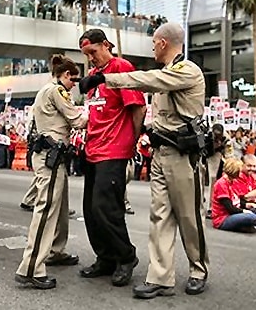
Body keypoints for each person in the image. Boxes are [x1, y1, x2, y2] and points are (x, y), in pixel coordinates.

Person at [79, 22, 209, 298]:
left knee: (189, 216)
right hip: (161, 152)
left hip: (183, 155)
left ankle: (198, 269)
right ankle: (161, 278)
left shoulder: (187, 71)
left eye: (153, 43)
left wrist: (105, 79)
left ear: (162, 43)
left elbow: (148, 81)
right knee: (159, 217)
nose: (152, 47)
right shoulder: (165, 72)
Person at [76, 29, 146, 288]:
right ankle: (105, 257)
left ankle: (126, 257)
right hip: (93, 149)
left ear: (106, 45)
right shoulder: (94, 76)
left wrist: (132, 141)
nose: (91, 59)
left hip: (114, 150)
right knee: (91, 210)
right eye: (86, 55)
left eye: (93, 52)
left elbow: (138, 108)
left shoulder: (121, 67)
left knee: (107, 209)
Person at [15, 55, 88, 290]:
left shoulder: (47, 90)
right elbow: (77, 119)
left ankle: (56, 250)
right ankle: (31, 267)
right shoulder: (57, 90)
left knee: (60, 206)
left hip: (51, 155)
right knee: (46, 210)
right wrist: (99, 112)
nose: (75, 84)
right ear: (65, 75)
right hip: (51, 157)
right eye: (73, 79)